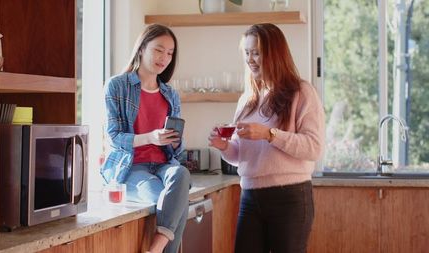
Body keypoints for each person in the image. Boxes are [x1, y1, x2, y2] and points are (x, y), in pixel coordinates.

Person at [208, 23, 325, 253]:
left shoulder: (302, 92)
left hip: (290, 197)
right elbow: (240, 155)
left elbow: (313, 148)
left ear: (275, 54)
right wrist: (224, 147)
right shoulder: (247, 100)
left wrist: (269, 135)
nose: (250, 59)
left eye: (257, 52)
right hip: (250, 196)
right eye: (247, 53)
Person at [100, 24, 190, 253]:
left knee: (181, 173)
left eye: (170, 53)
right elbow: (114, 138)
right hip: (131, 167)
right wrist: (150, 137)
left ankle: (155, 249)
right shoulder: (117, 86)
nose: (165, 58)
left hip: (163, 165)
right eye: (159, 50)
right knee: (170, 200)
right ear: (141, 48)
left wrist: (175, 141)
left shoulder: (170, 94)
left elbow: (178, 154)